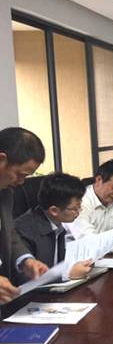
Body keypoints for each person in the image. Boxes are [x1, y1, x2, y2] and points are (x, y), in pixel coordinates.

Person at [0, 127, 49, 304]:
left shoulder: (6, 192)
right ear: (1, 159)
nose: (21, 182)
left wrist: (26, 260)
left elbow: (8, 233)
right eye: (20, 174)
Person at [14, 173, 93, 280]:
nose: (78, 212)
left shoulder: (58, 223)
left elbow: (59, 264)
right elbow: (28, 278)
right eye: (75, 208)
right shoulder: (23, 230)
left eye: (80, 206)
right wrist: (68, 274)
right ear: (54, 210)